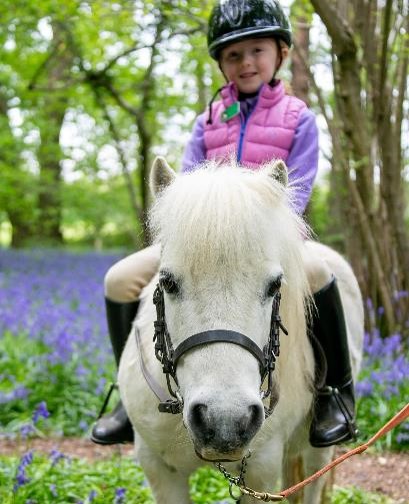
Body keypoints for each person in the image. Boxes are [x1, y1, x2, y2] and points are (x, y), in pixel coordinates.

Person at [91, 0, 357, 448]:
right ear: (221, 64)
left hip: (267, 240)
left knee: (319, 273)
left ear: (282, 53)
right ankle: (126, 396)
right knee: (117, 279)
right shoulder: (206, 121)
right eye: (233, 55)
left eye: (257, 50)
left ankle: (334, 394)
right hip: (201, 241)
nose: (246, 62)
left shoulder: (299, 119)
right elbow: (182, 192)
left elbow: (299, 190)